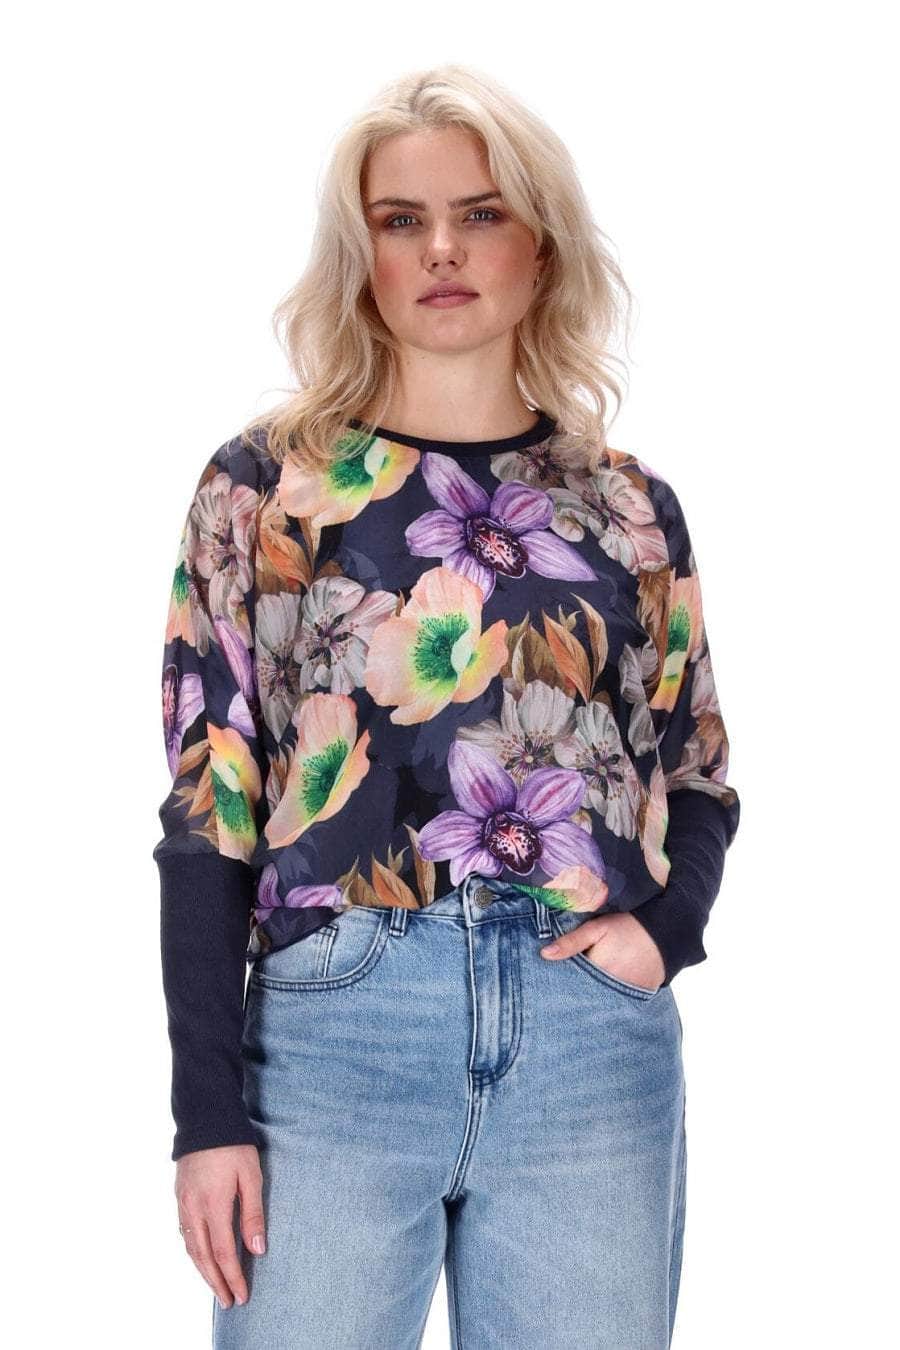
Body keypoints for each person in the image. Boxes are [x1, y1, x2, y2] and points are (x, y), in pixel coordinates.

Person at [153, 63, 741, 1350]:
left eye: (481, 214)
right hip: (337, 1032)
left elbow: (694, 765)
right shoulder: (267, 489)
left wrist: (666, 933)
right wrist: (207, 1114)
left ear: (544, 246)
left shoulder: (627, 505)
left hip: (590, 1047)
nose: (441, 250)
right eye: (401, 220)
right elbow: (210, 804)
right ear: (359, 255)